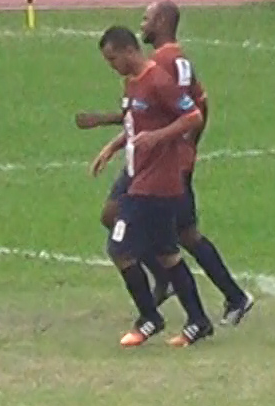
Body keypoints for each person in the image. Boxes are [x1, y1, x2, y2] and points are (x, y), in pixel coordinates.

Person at [79, 0, 257, 326]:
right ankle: (209, 292)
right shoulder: (177, 60)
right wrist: (117, 140)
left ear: (161, 21)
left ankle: (214, 297)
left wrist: (178, 147)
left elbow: (185, 111)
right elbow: (193, 105)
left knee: (173, 234)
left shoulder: (161, 64)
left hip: (162, 165)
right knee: (153, 227)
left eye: (146, 19)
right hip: (155, 160)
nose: (142, 25)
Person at [89, 25, 217, 347]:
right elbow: (136, 124)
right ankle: (198, 321)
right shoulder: (132, 83)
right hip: (142, 177)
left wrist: (158, 138)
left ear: (129, 50)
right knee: (167, 254)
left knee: (119, 248)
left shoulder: (159, 80)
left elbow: (193, 117)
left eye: (113, 59)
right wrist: (112, 147)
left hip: (155, 183)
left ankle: (149, 317)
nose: (112, 66)